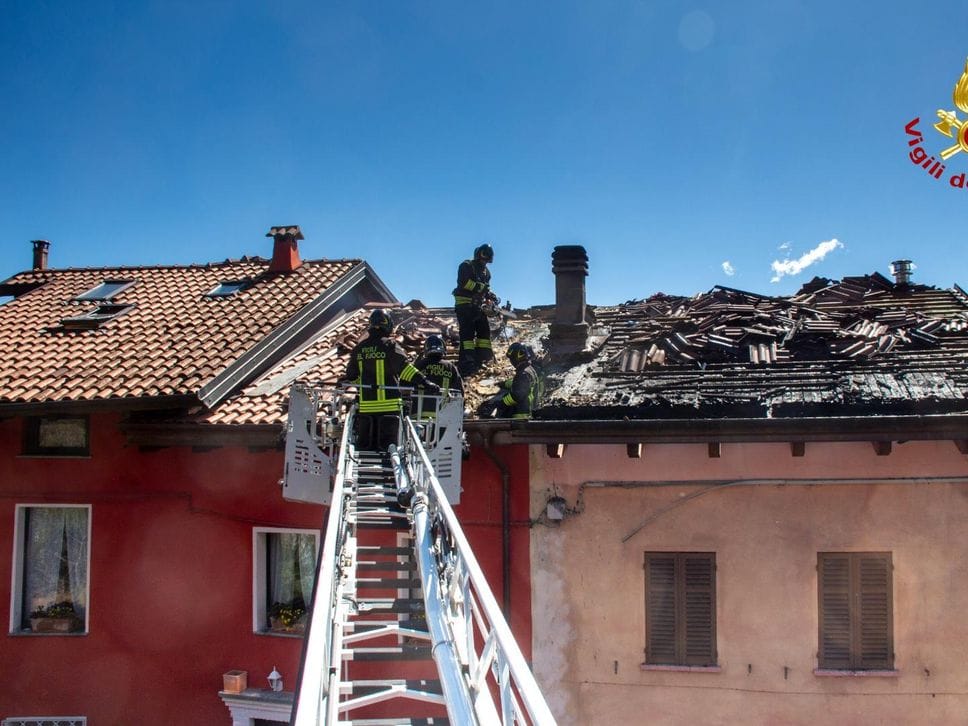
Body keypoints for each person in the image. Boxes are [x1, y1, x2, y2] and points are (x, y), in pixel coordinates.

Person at [342, 309, 439, 450]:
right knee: (388, 449)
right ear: (387, 324)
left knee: (365, 448)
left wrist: (363, 388)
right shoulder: (390, 346)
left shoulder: (359, 349)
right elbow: (405, 369)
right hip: (389, 410)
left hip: (366, 409)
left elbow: (351, 375)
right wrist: (425, 382)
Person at [453, 243, 495, 377]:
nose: (484, 263)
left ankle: (483, 358)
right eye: (483, 260)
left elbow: (486, 288)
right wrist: (481, 288)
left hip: (477, 306)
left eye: (487, 261)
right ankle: (466, 362)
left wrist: (490, 296)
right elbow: (464, 283)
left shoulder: (486, 272)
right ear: (478, 257)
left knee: (484, 332)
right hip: (464, 305)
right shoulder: (466, 266)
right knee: (467, 335)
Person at [476, 342, 539, 419]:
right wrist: (503, 383)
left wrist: (502, 403)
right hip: (528, 411)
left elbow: (516, 396)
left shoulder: (523, 374)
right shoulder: (529, 369)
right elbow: (518, 384)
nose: (511, 362)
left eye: (511, 358)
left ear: (516, 357)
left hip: (521, 415)